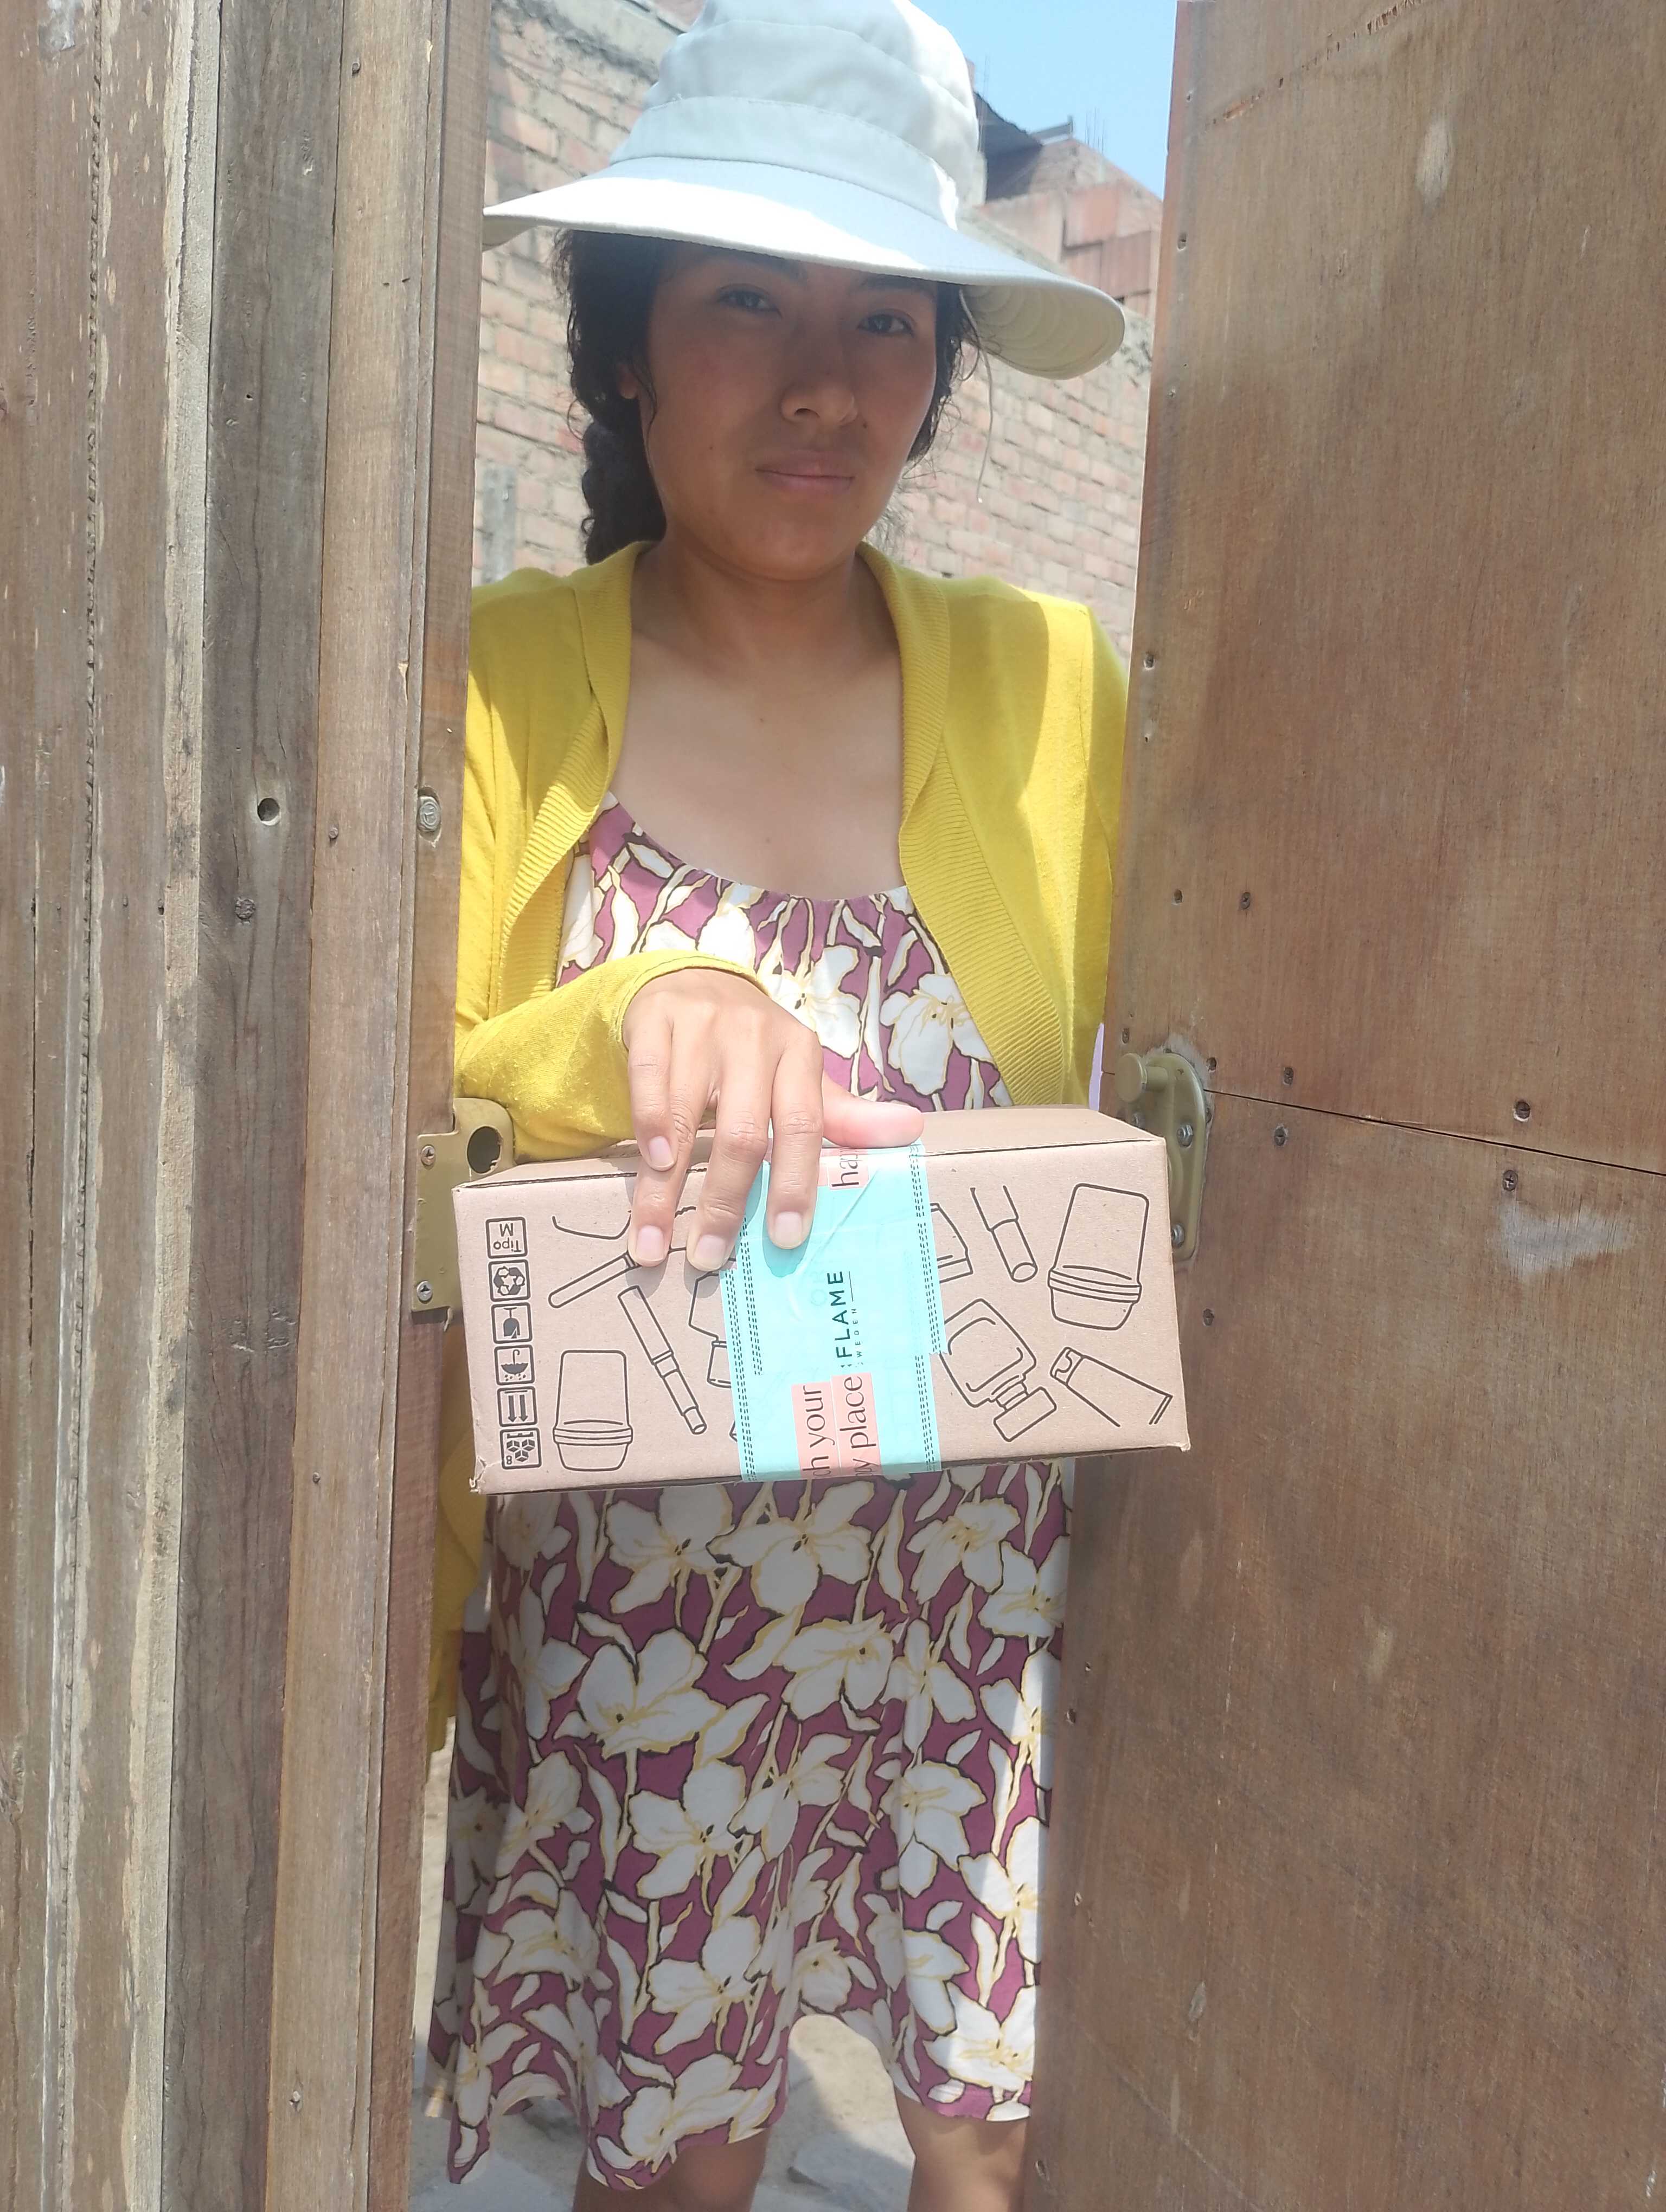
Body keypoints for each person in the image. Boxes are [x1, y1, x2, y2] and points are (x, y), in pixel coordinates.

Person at [426, 4, 1128, 2206]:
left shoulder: (1054, 691)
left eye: (887, 321)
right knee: (681, 2160)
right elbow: (402, 1074)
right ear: (631, 346)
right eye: (748, 300)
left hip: (972, 1617)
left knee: (995, 2148)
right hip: (654, 1643)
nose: (826, 383)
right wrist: (635, 1014)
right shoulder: (493, 679)